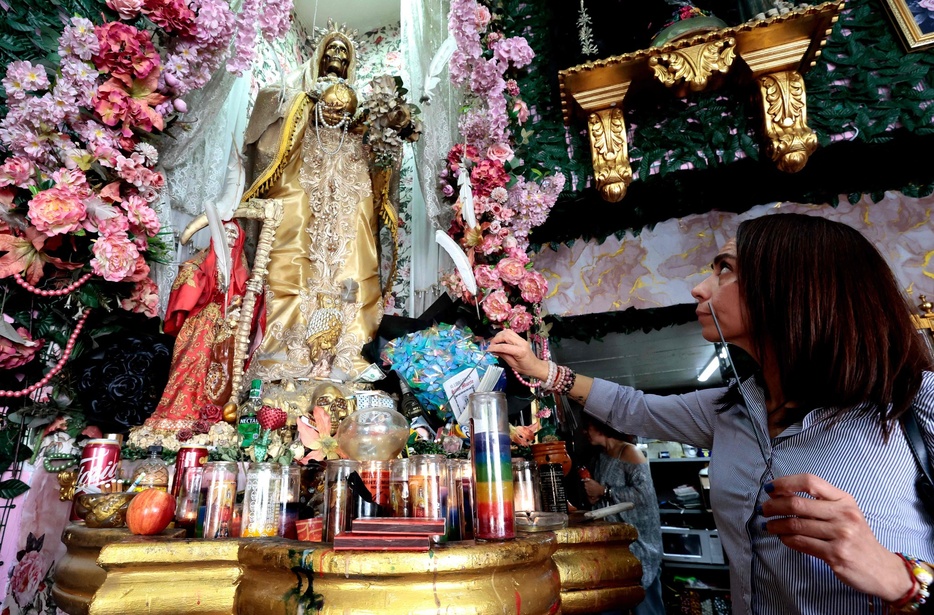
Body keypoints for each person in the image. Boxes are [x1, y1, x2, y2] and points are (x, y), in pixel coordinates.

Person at [490, 213, 934, 615]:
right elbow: (635, 408)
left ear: (795, 285)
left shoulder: (915, 401)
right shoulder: (732, 408)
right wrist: (541, 370)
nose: (700, 287)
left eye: (725, 269)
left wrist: (902, 580)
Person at [581, 415, 664, 615]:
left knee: (647, 606)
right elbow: (602, 496)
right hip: (615, 545)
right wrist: (594, 496)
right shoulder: (600, 457)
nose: (585, 432)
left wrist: (604, 491)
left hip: (639, 543)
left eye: (588, 427)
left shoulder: (629, 451)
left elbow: (644, 496)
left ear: (600, 426)